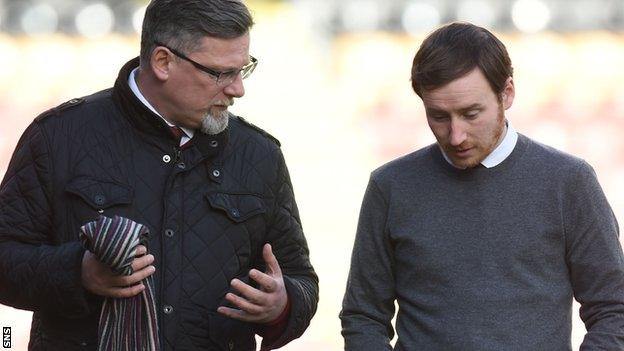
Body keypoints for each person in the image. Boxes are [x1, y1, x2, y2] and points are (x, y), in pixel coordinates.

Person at [0, 0, 318, 350]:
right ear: (163, 62)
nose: (237, 89)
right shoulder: (58, 137)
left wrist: (282, 305)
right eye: (220, 73)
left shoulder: (260, 155)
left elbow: (300, 279)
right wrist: (78, 272)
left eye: (243, 69)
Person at [340, 22, 624, 350]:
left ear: (507, 93)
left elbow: (613, 307)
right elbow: (363, 316)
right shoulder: (390, 186)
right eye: (439, 116)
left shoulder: (568, 182)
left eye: (471, 114)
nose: (456, 135)